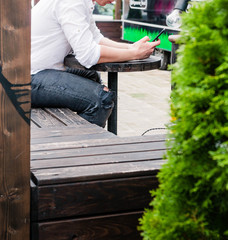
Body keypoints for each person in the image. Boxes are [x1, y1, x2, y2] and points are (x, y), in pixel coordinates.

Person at [31, 0, 161, 127]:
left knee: (92, 76)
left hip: (38, 71)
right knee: (101, 100)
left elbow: (96, 39)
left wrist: (131, 48)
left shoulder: (84, 3)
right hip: (27, 79)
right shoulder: (72, 2)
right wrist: (134, 54)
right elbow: (87, 55)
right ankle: (77, 146)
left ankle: (78, 129)